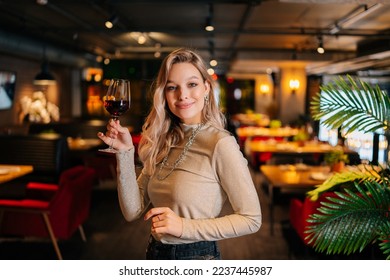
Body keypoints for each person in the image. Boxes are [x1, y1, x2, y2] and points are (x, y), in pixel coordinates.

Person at [98, 48, 262, 260]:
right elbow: (132, 211)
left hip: (197, 258)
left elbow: (252, 219)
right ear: (164, 94)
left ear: (206, 87)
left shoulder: (221, 143)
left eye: (191, 84)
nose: (182, 95)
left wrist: (184, 227)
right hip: (155, 253)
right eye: (172, 87)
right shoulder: (163, 139)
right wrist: (125, 154)